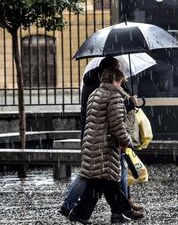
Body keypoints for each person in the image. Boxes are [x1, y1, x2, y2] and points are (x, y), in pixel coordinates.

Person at [59, 57, 142, 223]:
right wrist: (129, 142)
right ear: (114, 80)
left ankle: (81, 213)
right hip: (105, 146)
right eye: (120, 81)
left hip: (93, 144)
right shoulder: (114, 97)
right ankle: (124, 210)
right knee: (108, 182)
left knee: (98, 183)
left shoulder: (95, 93)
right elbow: (117, 125)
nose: (122, 85)